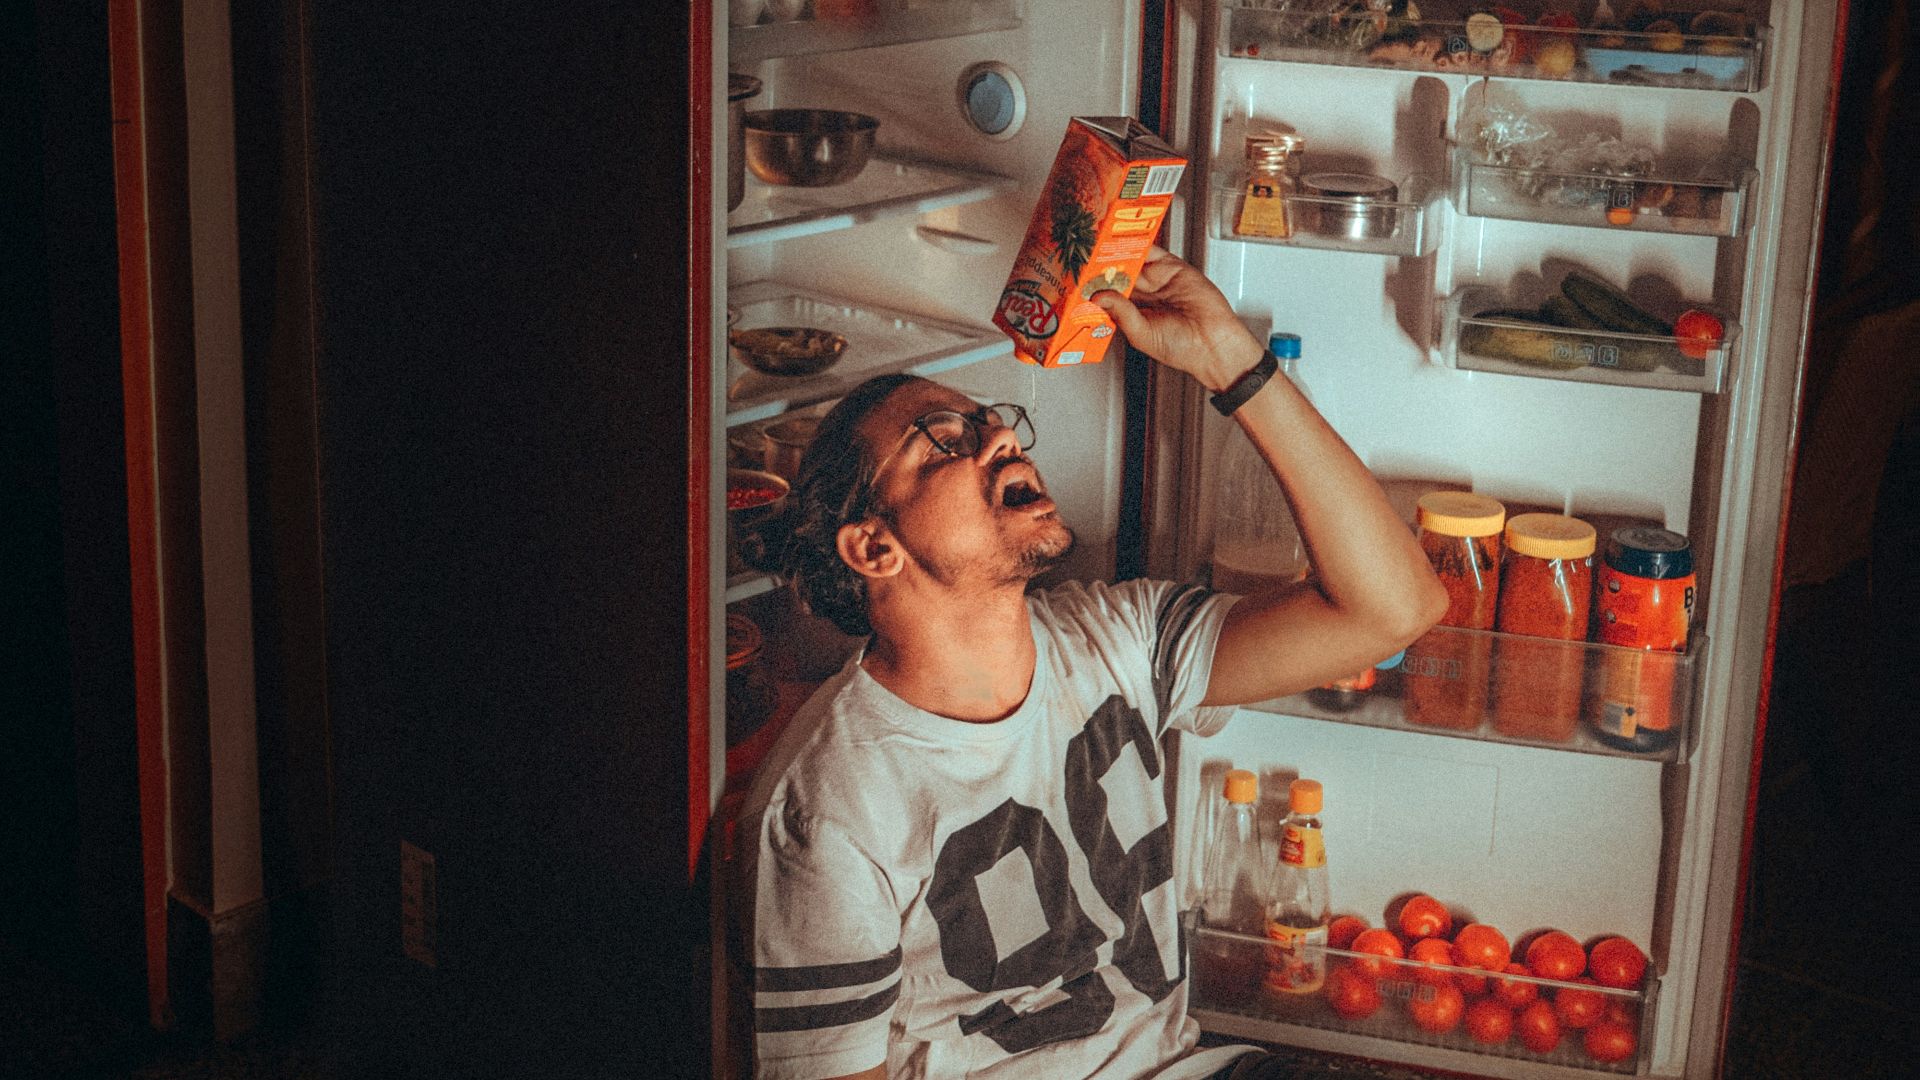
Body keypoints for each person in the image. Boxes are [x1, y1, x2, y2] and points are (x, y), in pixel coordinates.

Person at [738, 249, 1447, 1079]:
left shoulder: (1119, 637)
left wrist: (1231, 361)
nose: (1001, 435)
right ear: (873, 547)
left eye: (991, 420)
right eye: (946, 442)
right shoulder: (829, 807)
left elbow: (1396, 609)